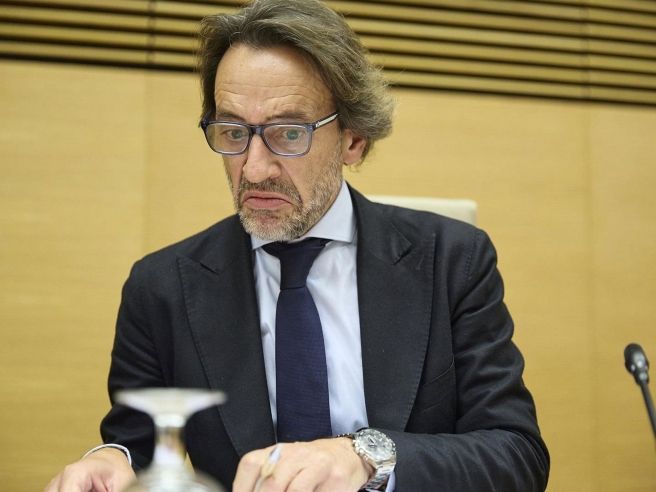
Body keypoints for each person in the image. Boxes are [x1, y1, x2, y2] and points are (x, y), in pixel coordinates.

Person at [45, 0, 549, 490]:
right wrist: (110, 460)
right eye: (233, 132)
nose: (254, 169)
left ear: (353, 139)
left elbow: (516, 455)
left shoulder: (451, 261)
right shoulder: (162, 287)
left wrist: (365, 457)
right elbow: (140, 447)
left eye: (288, 133)